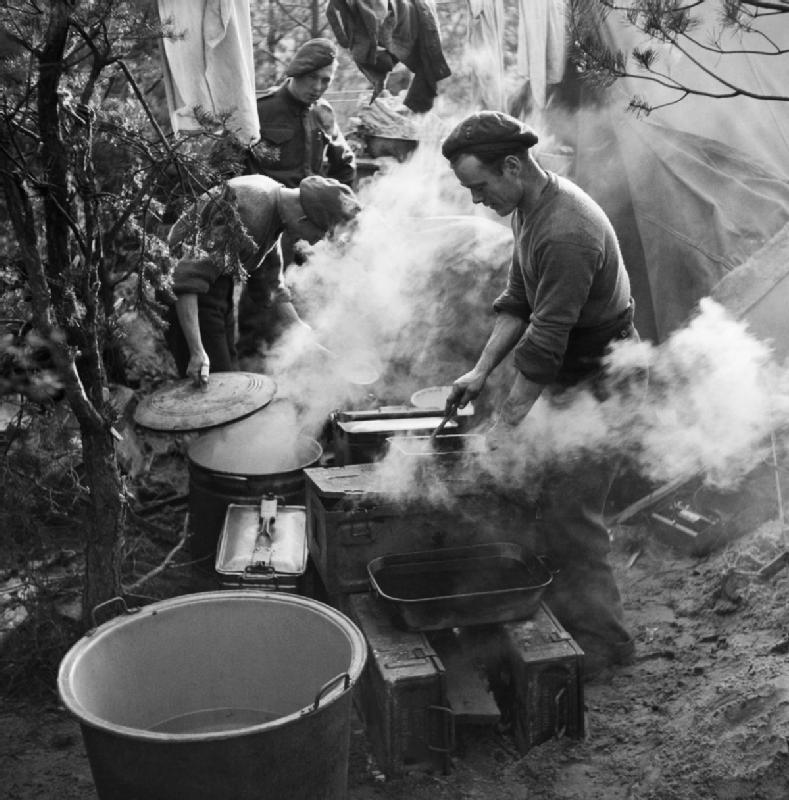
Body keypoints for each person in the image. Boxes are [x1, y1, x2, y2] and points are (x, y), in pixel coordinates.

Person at [441, 111, 640, 679]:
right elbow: (518, 299)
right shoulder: (527, 207)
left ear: (511, 166)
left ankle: (606, 646)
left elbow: (546, 342)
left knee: (572, 515)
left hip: (604, 380)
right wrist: (479, 372)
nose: (477, 200)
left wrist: (505, 426)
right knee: (544, 498)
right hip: (570, 375)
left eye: (479, 187)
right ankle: (569, 613)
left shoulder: (565, 229)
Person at [165, 174, 361, 385]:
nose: (314, 242)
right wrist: (197, 351)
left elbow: (269, 283)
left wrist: (300, 330)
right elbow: (185, 278)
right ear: (304, 218)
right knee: (213, 385)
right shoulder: (252, 211)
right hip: (185, 293)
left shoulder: (274, 208)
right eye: (320, 234)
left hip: (216, 285)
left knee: (227, 379)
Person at [237, 37, 357, 358]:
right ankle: (254, 370)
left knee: (311, 305)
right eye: (314, 78)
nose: (319, 87)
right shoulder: (261, 111)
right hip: (268, 227)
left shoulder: (322, 114)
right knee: (262, 304)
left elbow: (345, 165)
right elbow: (237, 171)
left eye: (326, 81)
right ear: (296, 72)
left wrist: (336, 219)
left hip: (312, 230)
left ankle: (303, 374)